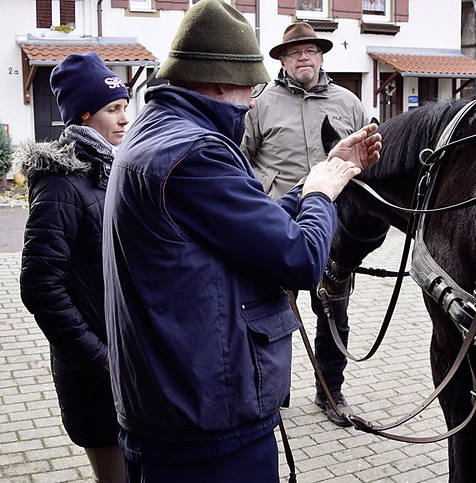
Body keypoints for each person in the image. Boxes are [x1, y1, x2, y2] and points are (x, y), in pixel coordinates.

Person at [101, 0, 381, 481]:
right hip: (205, 423)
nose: (253, 101)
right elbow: (299, 257)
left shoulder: (162, 133)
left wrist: (313, 177)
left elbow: (242, 222)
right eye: (248, 87)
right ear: (215, 82)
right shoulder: (195, 153)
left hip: (176, 409)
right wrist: (321, 194)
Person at [242, 21, 385, 427]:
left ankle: (330, 393)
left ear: (322, 56)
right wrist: (261, 200)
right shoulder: (261, 102)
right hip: (277, 226)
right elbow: (242, 158)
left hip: (334, 228)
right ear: (283, 60)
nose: (304, 57)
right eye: (294, 52)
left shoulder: (348, 102)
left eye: (311, 51)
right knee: (274, 316)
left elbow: (366, 161)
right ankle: (274, 396)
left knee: (334, 314)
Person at [19, 52, 129, 483]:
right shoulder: (61, 183)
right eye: (112, 110)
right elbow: (41, 286)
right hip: (93, 373)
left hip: (124, 360)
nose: (124, 119)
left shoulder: (111, 169)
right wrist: (99, 358)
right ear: (84, 116)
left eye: (124, 107)